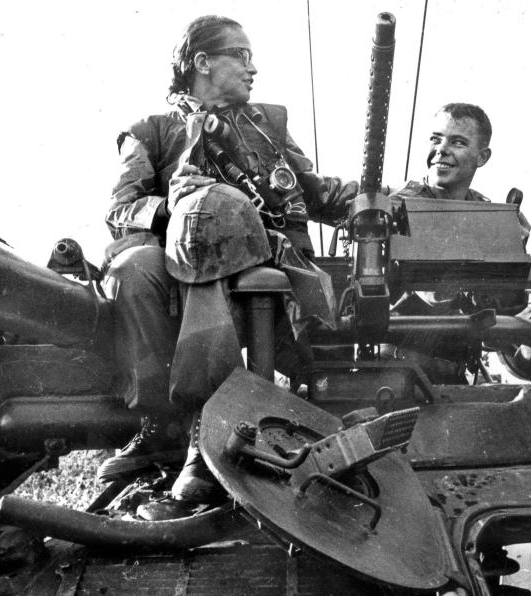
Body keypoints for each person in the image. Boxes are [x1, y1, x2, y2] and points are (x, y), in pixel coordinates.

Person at [98, 15, 355, 516]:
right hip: (177, 253)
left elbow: (315, 191)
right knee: (134, 268)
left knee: (211, 235)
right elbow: (118, 208)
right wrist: (177, 211)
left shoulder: (267, 126)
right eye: (240, 54)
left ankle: (206, 430)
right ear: (202, 63)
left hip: (264, 254)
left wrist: (371, 199)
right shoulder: (152, 130)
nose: (252, 67)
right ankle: (161, 425)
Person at [391, 102, 531, 293]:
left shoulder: (486, 211)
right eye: (435, 139)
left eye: (457, 143)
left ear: (482, 157)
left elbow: (503, 302)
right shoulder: (399, 206)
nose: (441, 150)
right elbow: (429, 278)